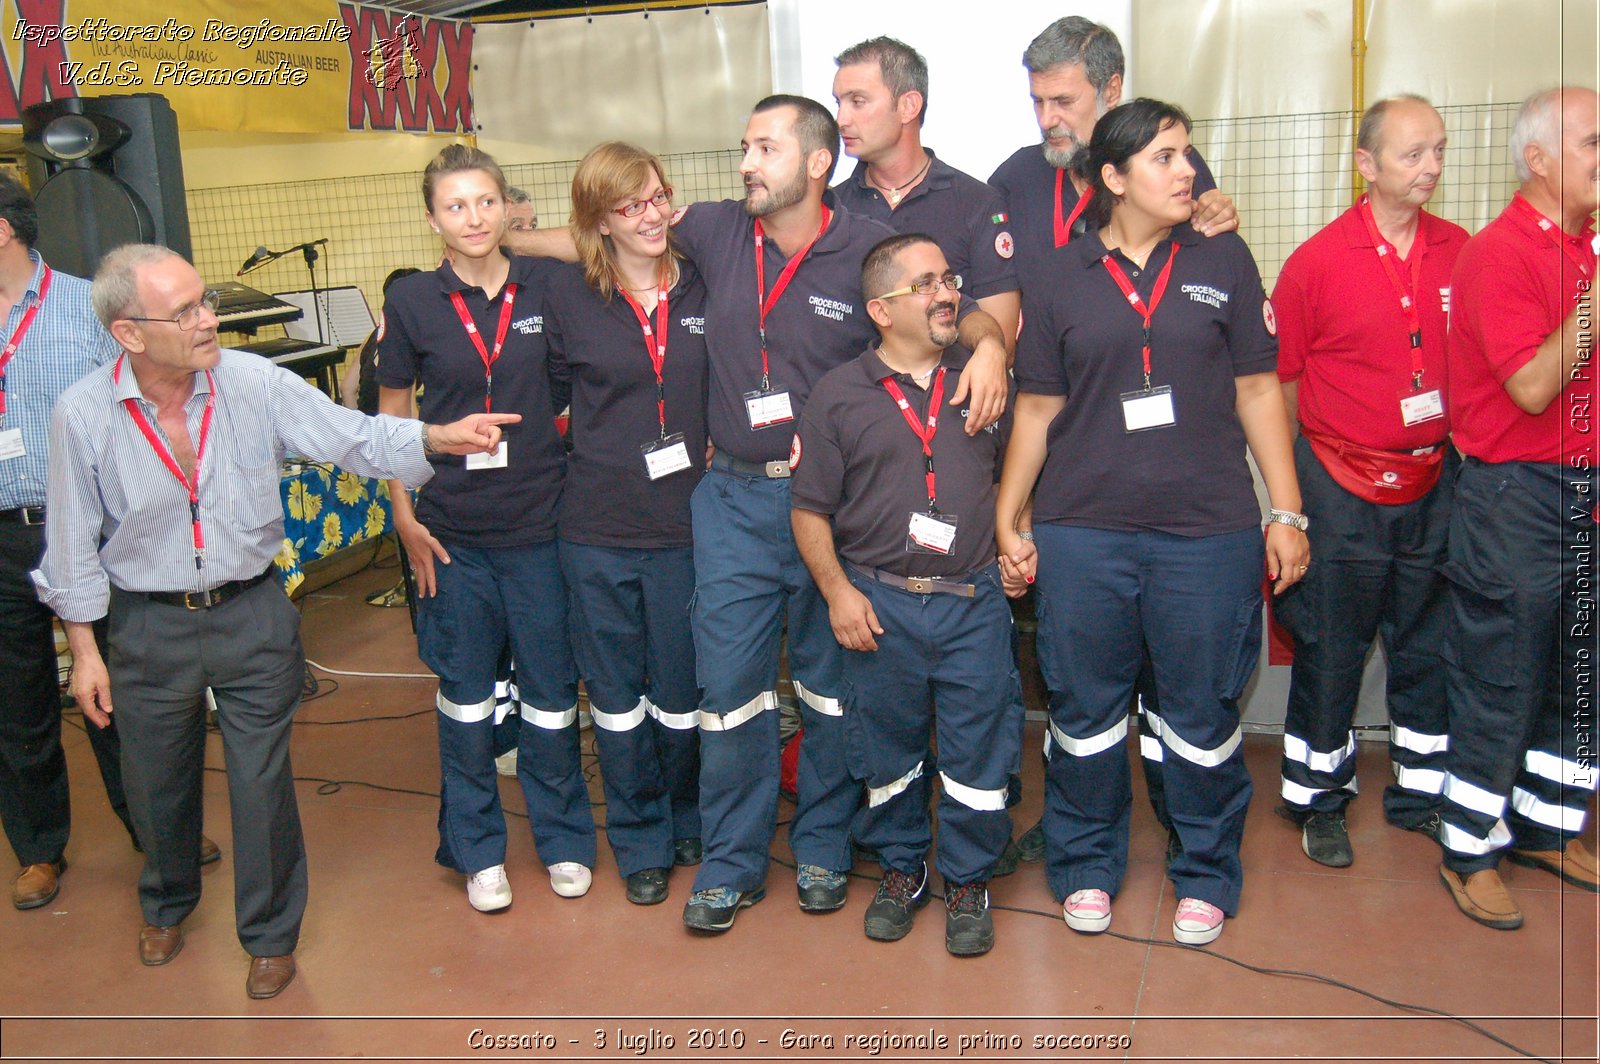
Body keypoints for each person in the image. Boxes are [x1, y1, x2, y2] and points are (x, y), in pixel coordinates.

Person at [505, 95, 1010, 934]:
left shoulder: (862, 249)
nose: (746, 162)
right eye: (744, 145)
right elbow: (601, 232)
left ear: (817, 163)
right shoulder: (708, 230)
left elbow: (952, 302)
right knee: (730, 693)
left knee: (830, 689)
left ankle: (822, 848)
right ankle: (731, 863)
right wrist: (492, 240)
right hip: (732, 499)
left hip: (838, 512)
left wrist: (990, 343)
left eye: (764, 148)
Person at [31, 243, 514, 998]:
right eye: (186, 309)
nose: (208, 318)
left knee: (261, 783)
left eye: (205, 301)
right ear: (129, 333)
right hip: (147, 623)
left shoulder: (251, 381)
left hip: (252, 610)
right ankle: (167, 899)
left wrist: (434, 438)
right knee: (155, 780)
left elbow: (348, 436)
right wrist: (85, 652)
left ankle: (269, 935)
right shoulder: (83, 414)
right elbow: (70, 544)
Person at [996, 99, 1307, 947]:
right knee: (1084, 711)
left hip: (1206, 533)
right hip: (1083, 531)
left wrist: (1286, 510)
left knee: (1200, 717)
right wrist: (1008, 512)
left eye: (1188, 154)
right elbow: (1037, 407)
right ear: (1113, 178)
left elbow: (1256, 392)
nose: (1187, 172)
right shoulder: (1059, 276)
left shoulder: (1224, 259)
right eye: (1166, 157)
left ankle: (1205, 870)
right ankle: (1086, 864)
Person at [988, 15, 1240, 868]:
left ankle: (1186, 828)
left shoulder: (1178, 177)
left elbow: (1218, 307)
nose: (1046, 118)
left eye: (1062, 100)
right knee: (1080, 691)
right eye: (1036, 101)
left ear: (1111, 91)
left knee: (1184, 692)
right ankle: (1079, 837)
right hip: (1069, 465)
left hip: (1177, 491)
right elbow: (997, 299)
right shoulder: (1017, 179)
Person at [377, 144, 595, 916]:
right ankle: (477, 850)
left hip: (542, 526)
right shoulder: (410, 304)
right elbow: (393, 415)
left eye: (484, 201)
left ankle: (565, 839)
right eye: (455, 205)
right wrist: (403, 515)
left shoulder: (553, 283)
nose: (472, 218)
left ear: (507, 207)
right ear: (432, 217)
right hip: (451, 535)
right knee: (467, 700)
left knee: (548, 698)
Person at [792, 232, 1021, 956]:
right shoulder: (838, 395)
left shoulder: (983, 380)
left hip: (972, 602)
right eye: (926, 283)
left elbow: (1015, 472)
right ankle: (900, 868)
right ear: (881, 310)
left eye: (949, 278)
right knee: (886, 751)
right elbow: (808, 509)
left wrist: (1017, 534)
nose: (947, 292)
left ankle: (968, 876)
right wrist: (836, 593)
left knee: (978, 753)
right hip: (879, 605)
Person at [0, 176, 219, 912]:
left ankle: (158, 834)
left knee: (119, 694)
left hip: (90, 529)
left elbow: (145, 397)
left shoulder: (87, 309)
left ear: (4, 229)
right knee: (15, 704)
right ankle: (37, 850)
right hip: (1, 537)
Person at [1270, 96, 1469, 867]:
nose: (1431, 168)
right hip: (1339, 488)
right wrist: (1304, 487)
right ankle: (1318, 799)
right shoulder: (1316, 263)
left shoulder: (1461, 250)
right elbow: (1281, 387)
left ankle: (1420, 790)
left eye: (1439, 152)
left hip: (1434, 485)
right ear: (1366, 164)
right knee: (1332, 647)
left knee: (1427, 644)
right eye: (1413, 154)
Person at [1436, 86, 1599, 929]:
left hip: (1587, 488)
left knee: (1581, 671)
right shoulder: (1499, 255)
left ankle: (1547, 824)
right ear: (1538, 160)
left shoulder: (1584, 248)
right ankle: (1469, 849)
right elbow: (1534, 387)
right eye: (1592, 143)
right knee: (1501, 676)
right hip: (1518, 496)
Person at [544, 142, 707, 906]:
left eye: (659, 196)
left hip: (686, 527)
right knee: (614, 694)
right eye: (631, 205)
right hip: (597, 528)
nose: (653, 216)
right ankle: (637, 836)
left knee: (681, 690)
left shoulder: (705, 284)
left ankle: (686, 815)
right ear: (598, 221)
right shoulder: (569, 297)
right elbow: (543, 404)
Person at [830, 37, 1021, 345]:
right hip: (857, 390)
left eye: (858, 101)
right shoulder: (832, 208)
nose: (841, 119)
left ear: (908, 106)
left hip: (951, 391)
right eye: (838, 103)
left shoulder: (976, 203)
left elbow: (1000, 346)